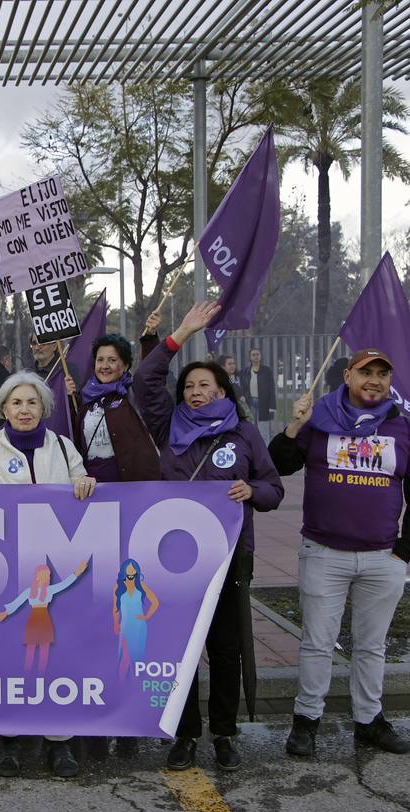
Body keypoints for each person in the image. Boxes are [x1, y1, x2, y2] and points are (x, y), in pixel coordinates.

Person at [136, 302, 284, 771]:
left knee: (224, 650)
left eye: (206, 385)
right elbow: (144, 381)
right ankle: (184, 735)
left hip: (229, 557)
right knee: (178, 650)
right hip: (173, 560)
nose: (196, 392)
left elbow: (273, 488)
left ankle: (223, 733)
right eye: (190, 386)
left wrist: (251, 489)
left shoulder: (242, 433)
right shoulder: (167, 425)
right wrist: (180, 333)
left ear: (222, 390)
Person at [267, 349, 410, 759]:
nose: (374, 380)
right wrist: (294, 425)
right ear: (347, 375)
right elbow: (279, 464)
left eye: (382, 373)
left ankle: (369, 721)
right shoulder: (320, 418)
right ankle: (306, 722)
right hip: (324, 553)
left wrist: (405, 551)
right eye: (366, 373)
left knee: (371, 646)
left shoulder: (403, 426)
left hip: (383, 558)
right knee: (317, 644)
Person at [0, 371, 97, 779]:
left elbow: (81, 481)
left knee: (57, 658)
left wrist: (86, 481)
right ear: (3, 408)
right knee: (7, 658)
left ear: (43, 409)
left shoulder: (62, 445)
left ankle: (60, 744)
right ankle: (9, 742)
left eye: (32, 403)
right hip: (6, 574)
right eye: (16, 403)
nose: (24, 409)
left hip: (51, 574)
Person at [67, 333, 159, 484]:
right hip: (91, 488)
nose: (104, 366)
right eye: (100, 360)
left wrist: (150, 340)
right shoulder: (85, 398)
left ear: (125, 365)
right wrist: (70, 400)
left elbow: (151, 374)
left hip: (129, 487)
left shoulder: (133, 394)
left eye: (112, 360)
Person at [240, 347, 277, 441]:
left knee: (263, 430)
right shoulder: (245, 372)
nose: (256, 357)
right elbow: (242, 387)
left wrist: (272, 407)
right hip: (250, 402)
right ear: (250, 357)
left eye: (258, 354)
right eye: (253, 355)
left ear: (260, 356)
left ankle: (265, 451)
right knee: (252, 428)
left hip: (263, 403)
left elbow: (271, 389)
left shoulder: (266, 370)